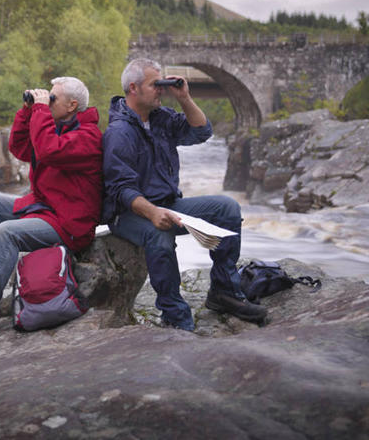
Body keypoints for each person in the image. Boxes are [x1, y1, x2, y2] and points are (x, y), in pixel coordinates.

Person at [102, 58, 266, 331]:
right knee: (159, 235)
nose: (161, 89)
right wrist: (153, 213)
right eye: (155, 84)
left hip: (168, 203)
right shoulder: (119, 132)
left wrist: (185, 98)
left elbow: (201, 132)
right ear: (133, 88)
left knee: (227, 208)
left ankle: (224, 293)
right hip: (128, 213)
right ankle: (174, 314)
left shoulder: (161, 119)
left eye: (162, 84)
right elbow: (120, 189)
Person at [0, 76, 103, 343]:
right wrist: (27, 112)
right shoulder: (56, 127)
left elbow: (49, 151)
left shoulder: (88, 137)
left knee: (6, 232)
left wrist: (39, 111)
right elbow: (20, 148)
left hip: (69, 223)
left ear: (72, 105)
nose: (47, 102)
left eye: (53, 98)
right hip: (45, 207)